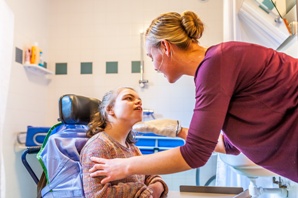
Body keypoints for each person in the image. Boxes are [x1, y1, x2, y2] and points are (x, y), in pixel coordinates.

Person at [88, 11, 298, 183]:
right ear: (109, 111)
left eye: (152, 57)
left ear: (166, 47)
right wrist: (178, 131)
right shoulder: (216, 64)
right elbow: (231, 145)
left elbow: (196, 154)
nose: (153, 65)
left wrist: (124, 166)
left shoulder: (216, 64)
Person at [80, 87, 168, 198]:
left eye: (139, 99)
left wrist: (156, 186)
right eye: (128, 98)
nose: (138, 102)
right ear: (110, 109)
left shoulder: (132, 148)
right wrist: (140, 190)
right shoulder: (99, 146)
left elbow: (151, 176)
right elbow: (97, 195)